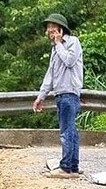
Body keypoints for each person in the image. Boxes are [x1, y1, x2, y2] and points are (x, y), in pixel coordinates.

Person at [31, 13, 84, 178]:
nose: (50, 31)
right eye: (49, 28)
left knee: (67, 131)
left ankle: (66, 167)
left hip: (70, 92)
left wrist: (59, 43)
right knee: (70, 130)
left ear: (62, 28)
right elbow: (50, 74)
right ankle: (73, 167)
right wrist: (41, 96)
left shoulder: (73, 42)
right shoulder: (55, 49)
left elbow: (69, 61)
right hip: (60, 93)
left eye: (54, 28)